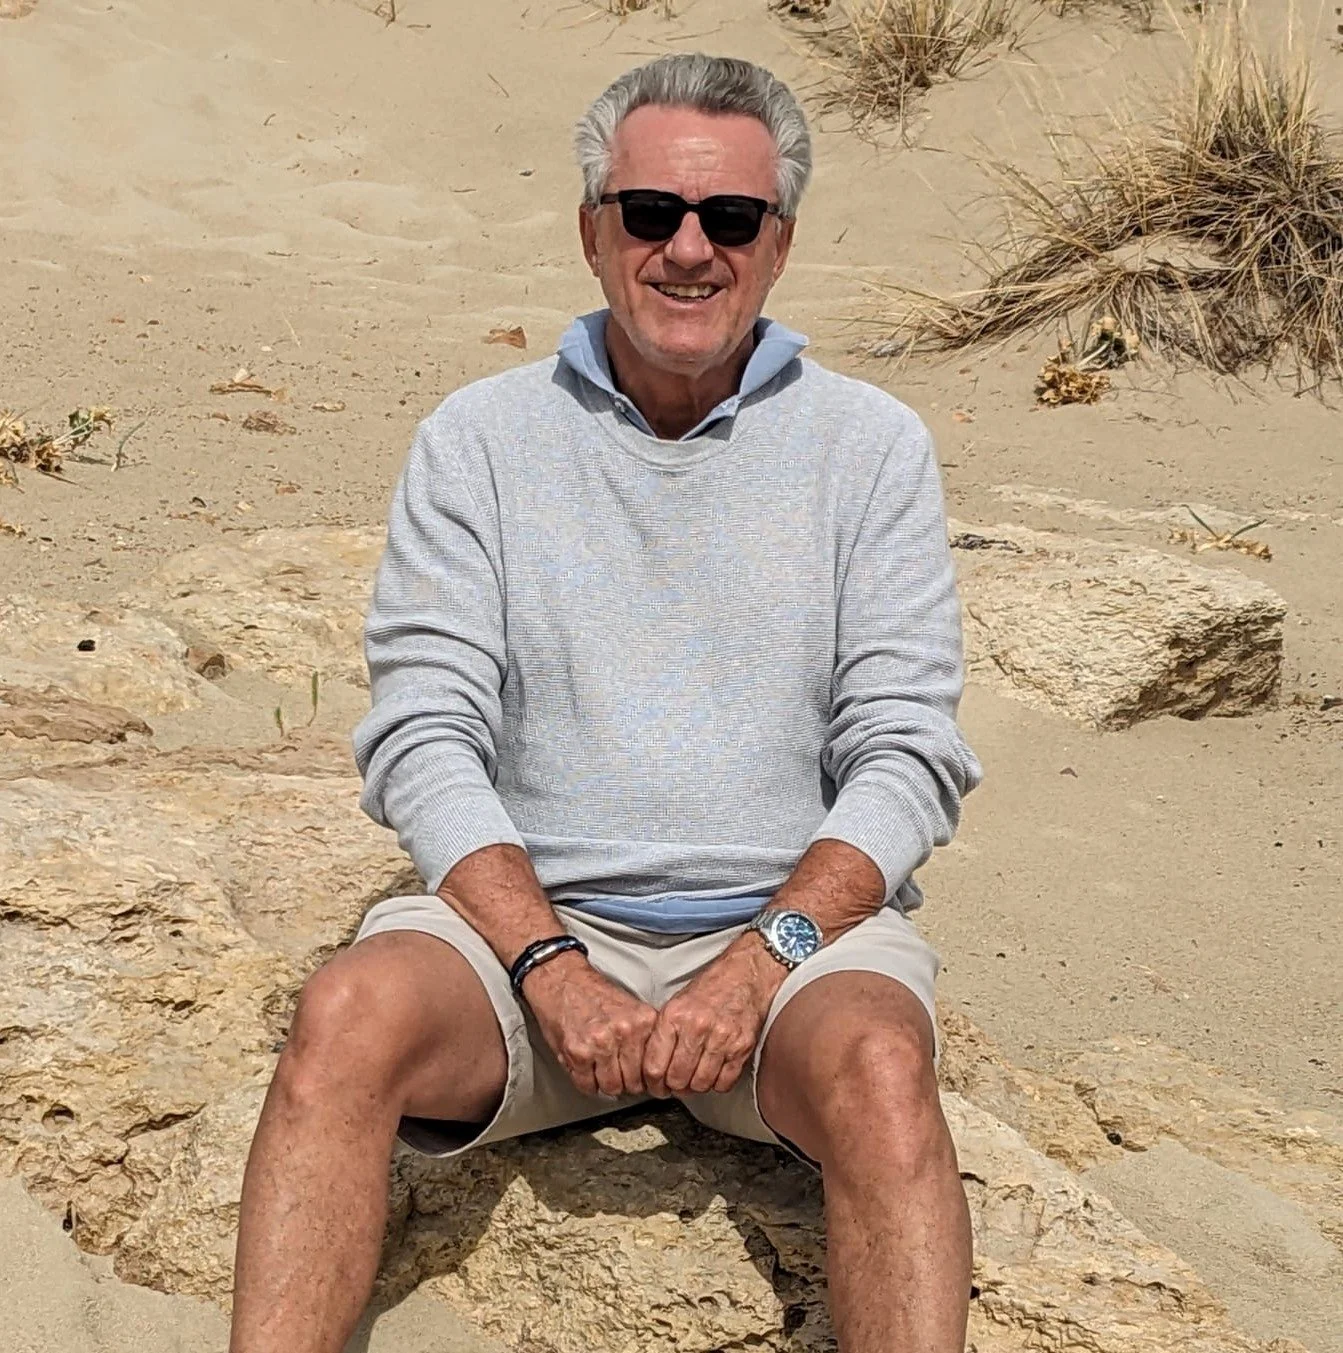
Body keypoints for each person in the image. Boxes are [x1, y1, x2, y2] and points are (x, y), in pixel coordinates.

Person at [229, 51, 982, 1353]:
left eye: (728, 219)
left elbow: (907, 753)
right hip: (527, 945)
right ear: (592, 231)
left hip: (784, 953)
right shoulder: (480, 440)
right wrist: (549, 963)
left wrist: (757, 968)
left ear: (778, 242)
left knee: (878, 1074)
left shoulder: (869, 449)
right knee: (344, 1020)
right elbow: (423, 730)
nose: (688, 249)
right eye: (650, 213)